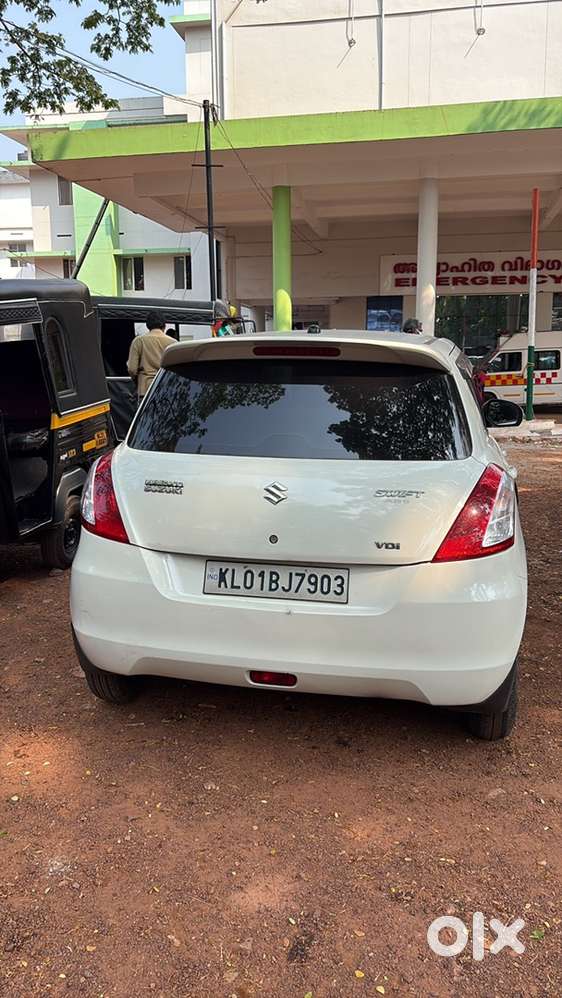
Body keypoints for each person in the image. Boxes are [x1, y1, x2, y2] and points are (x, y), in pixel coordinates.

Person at [127, 311, 177, 403]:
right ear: (164, 325)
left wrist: (137, 380)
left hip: (145, 389)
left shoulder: (138, 341)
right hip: (166, 389)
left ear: (147, 325)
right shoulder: (173, 343)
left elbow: (132, 369)